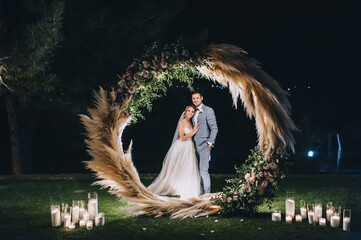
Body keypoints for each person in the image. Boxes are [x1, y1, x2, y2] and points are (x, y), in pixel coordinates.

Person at [147, 105, 201, 199]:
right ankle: (173, 187)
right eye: (189, 111)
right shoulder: (181, 122)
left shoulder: (191, 123)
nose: (190, 113)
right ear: (185, 111)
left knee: (188, 169)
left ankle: (185, 188)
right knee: (177, 168)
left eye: (192, 112)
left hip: (189, 148)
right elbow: (183, 137)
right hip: (181, 147)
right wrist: (193, 132)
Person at [191, 92, 218, 194]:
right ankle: (200, 193)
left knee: (203, 171)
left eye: (197, 98)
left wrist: (210, 142)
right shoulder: (193, 111)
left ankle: (207, 194)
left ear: (201, 98)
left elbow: (214, 128)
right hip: (194, 145)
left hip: (204, 145)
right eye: (193, 98)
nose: (195, 100)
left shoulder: (208, 110)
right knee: (197, 171)